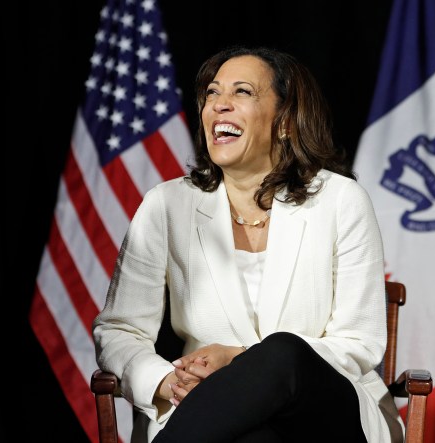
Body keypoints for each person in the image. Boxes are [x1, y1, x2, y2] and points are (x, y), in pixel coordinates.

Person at [92, 45, 404, 443]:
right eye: (211, 94)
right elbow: (119, 329)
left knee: (284, 353)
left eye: (241, 92)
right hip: (208, 411)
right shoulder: (167, 204)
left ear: (286, 121)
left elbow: (359, 343)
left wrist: (241, 361)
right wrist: (165, 382)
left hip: (328, 414)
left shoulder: (341, 200)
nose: (219, 105)